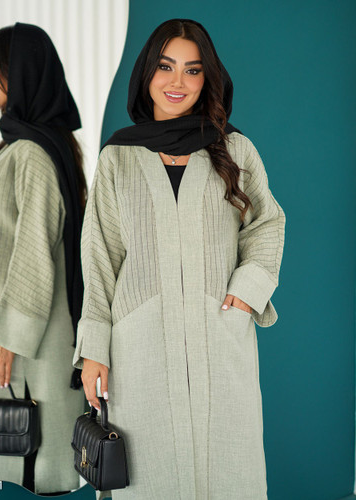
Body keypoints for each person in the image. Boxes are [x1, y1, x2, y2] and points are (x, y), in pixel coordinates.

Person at [73, 18, 285, 500]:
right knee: (150, 477)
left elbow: (267, 223)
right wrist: (94, 350)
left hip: (219, 336)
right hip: (139, 347)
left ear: (207, 78)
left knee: (229, 470)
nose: (178, 82)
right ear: (146, 72)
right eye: (166, 67)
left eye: (192, 70)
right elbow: (99, 256)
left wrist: (247, 293)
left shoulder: (235, 149)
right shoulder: (118, 157)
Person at [0, 23, 86, 495]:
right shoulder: (27, 146)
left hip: (26, 346)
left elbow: (34, 250)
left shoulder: (32, 153)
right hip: (18, 338)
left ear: (21, 73)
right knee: (18, 462)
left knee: (31, 468)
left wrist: (7, 339)